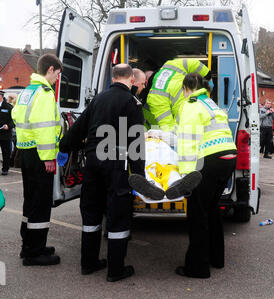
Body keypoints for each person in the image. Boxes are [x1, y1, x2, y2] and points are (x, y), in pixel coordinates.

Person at [58, 64, 164, 281]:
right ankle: (116, 270)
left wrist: (63, 147)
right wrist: (139, 177)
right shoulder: (132, 102)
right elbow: (136, 144)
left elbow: (77, 129)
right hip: (116, 164)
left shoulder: (98, 99)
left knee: (91, 212)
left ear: (113, 77)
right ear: (131, 80)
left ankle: (88, 263)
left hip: (93, 162)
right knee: (117, 216)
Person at [174, 72, 237, 279]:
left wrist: (186, 177)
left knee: (197, 215)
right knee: (211, 210)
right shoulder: (210, 103)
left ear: (185, 88)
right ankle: (216, 259)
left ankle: (197, 268)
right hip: (228, 159)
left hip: (210, 161)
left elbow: (187, 142)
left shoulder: (191, 105)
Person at [12, 53, 63, 266]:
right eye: (57, 74)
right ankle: (35, 253)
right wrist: (49, 156)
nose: (57, 79)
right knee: (41, 204)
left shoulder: (28, 91)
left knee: (30, 201)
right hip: (41, 155)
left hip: (26, 153)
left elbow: (16, 116)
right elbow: (44, 129)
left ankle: (30, 245)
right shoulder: (43, 93)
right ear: (50, 69)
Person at [146, 58, 212, 132]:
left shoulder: (155, 97)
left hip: (186, 123)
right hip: (202, 110)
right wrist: (208, 76)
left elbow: (168, 127)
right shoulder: (171, 65)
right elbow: (194, 64)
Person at [0, 91, 14, 175]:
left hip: (5, 134)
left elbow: (14, 120)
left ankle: (5, 169)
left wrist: (8, 126)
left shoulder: (9, 107)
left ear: (1, 96)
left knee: (6, 153)